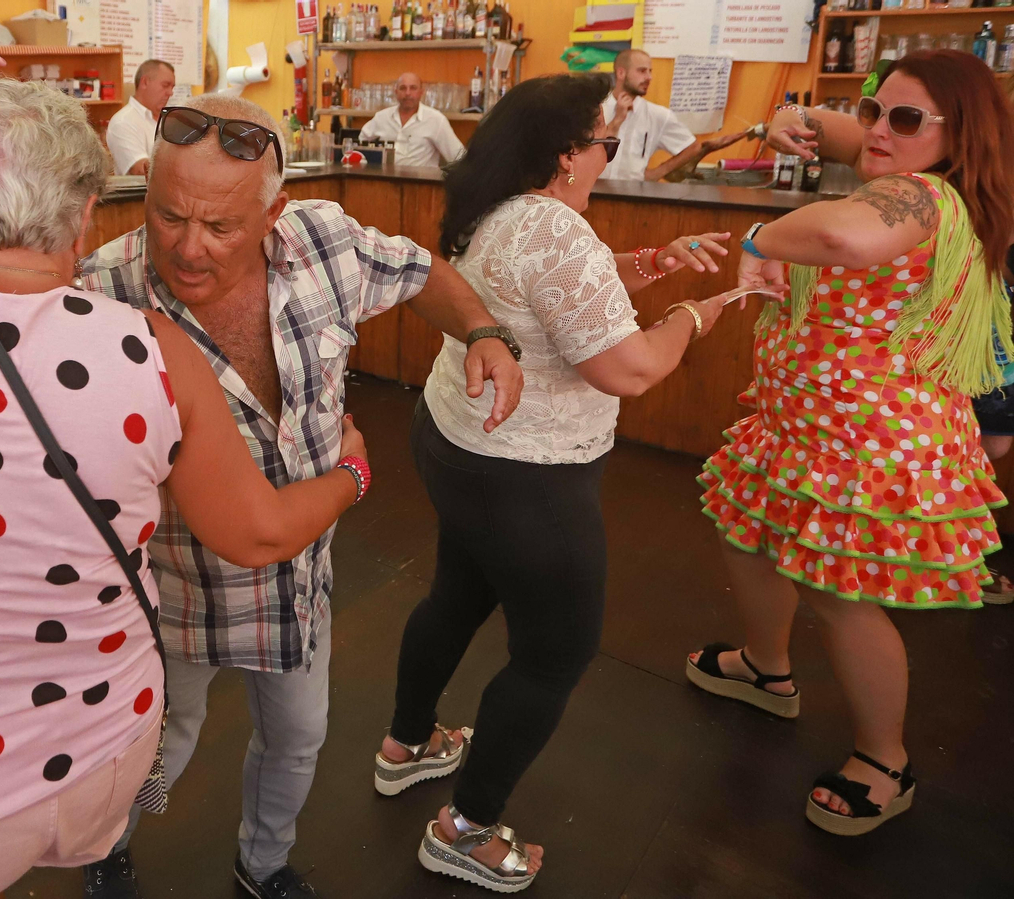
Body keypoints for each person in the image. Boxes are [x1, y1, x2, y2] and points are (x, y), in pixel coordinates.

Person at [0, 87, 526, 898]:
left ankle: (261, 863)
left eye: (220, 226)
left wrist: (483, 329)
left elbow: (422, 271)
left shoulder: (327, 242)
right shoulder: (115, 313)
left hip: (288, 596)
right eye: (166, 215)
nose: (188, 249)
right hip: (156, 630)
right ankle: (107, 847)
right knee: (166, 746)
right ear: (101, 209)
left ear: (274, 213)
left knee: (298, 738)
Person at [375, 72, 749, 892]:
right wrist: (697, 313)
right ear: (565, 155)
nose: (608, 156)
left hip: (457, 442)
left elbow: (559, 292)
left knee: (457, 593)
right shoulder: (554, 231)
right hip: (527, 475)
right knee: (555, 654)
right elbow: (630, 366)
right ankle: (464, 829)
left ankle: (407, 743)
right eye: (603, 143)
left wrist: (650, 261)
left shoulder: (496, 204)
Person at [692, 50, 1014, 836]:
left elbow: (844, 239)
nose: (876, 131)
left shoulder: (922, 196)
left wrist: (762, 237)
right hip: (805, 427)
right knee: (750, 537)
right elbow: (838, 131)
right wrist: (798, 121)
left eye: (903, 119)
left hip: (860, 445)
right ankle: (767, 669)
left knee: (844, 596)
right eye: (876, 110)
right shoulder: (907, 160)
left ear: (956, 132)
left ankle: (885, 758)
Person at [600, 49, 750, 182]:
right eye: (642, 71)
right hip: (594, 191)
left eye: (650, 71)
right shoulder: (596, 108)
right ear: (621, 73)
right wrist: (617, 120)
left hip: (632, 195)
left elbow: (692, 147)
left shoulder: (658, 115)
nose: (649, 77)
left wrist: (658, 172)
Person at [357, 72, 465, 168]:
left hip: (420, 186)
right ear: (396, 92)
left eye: (413, 88)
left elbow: (459, 158)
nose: (408, 93)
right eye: (403, 88)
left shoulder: (436, 120)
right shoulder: (382, 117)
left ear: (421, 92)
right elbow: (358, 145)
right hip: (385, 185)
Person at [107, 59, 176, 176]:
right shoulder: (123, 122)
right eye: (165, 85)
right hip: (142, 193)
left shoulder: (170, 121)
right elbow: (140, 170)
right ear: (145, 82)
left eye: (172, 87)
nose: (170, 92)